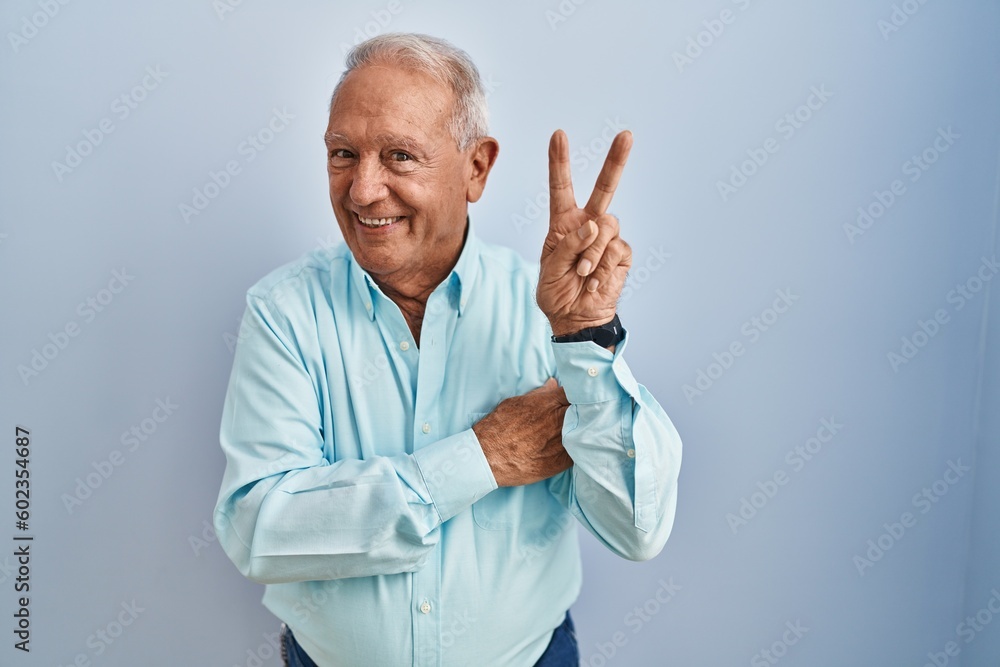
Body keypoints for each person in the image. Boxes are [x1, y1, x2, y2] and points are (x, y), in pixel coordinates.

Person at [214, 32, 682, 667]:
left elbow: (637, 530)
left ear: (477, 168)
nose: (362, 190)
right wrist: (483, 457)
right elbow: (258, 530)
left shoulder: (546, 309)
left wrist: (586, 336)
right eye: (344, 154)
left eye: (400, 156)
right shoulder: (284, 312)